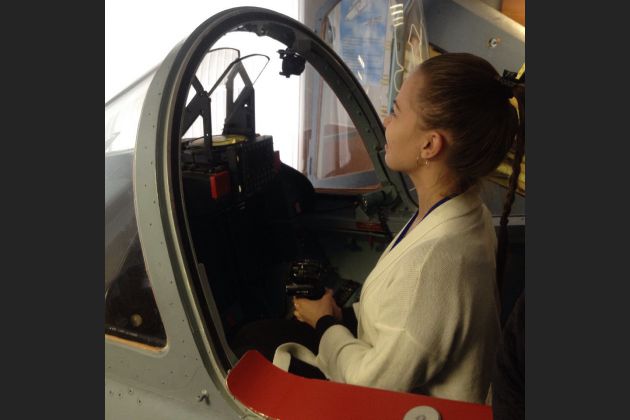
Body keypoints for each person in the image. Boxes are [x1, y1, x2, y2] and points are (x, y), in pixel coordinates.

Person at [234, 52, 525, 404]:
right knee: (261, 334)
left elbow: (370, 385)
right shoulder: (465, 211)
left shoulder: (433, 260)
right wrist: (339, 316)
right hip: (399, 378)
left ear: (430, 144)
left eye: (397, 112)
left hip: (398, 404)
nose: (386, 121)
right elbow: (406, 326)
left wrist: (326, 323)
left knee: (248, 345)